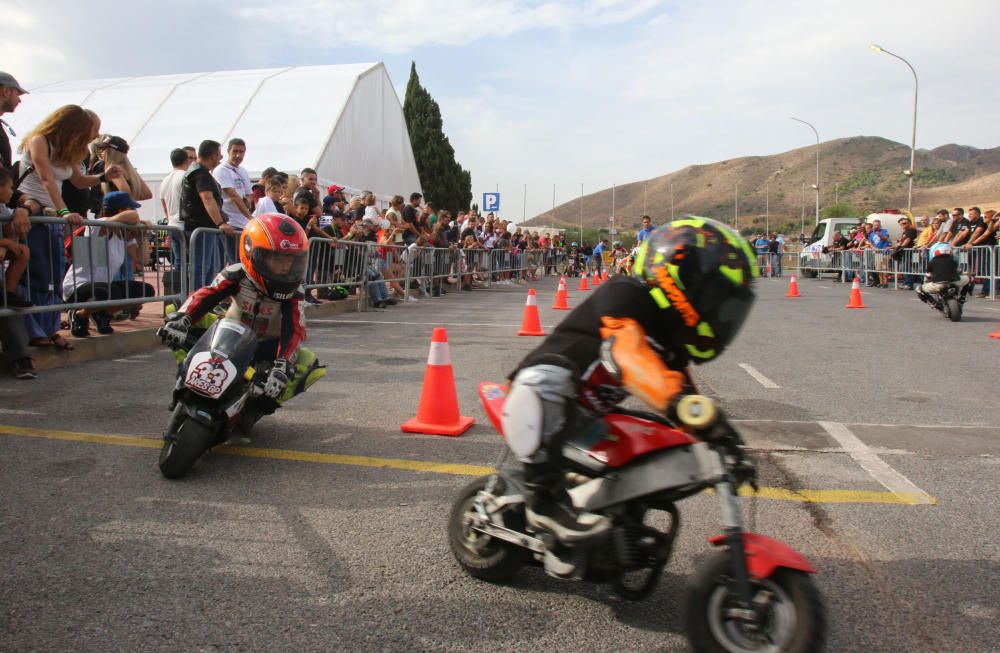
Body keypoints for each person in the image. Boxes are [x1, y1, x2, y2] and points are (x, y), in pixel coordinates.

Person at [501, 217, 757, 540]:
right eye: (715, 299)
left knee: (659, 438)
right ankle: (544, 502)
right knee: (548, 382)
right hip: (539, 397)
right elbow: (629, 356)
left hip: (586, 417)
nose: (720, 314)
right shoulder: (626, 295)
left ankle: (617, 509)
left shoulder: (670, 340)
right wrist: (681, 405)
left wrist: (723, 440)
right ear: (679, 277)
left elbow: (681, 391)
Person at [159, 214, 322, 428]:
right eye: (277, 259)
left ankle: (258, 406)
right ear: (250, 252)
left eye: (291, 260)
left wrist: (283, 364)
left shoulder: (295, 293)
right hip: (228, 338)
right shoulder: (236, 274)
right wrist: (183, 319)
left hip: (267, 347)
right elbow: (206, 295)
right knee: (175, 312)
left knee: (307, 361)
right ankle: (186, 377)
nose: (285, 268)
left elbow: (295, 330)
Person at [15, 105, 120, 350]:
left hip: (51, 218)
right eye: (93, 129)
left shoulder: (69, 151)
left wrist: (104, 176)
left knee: (53, 274)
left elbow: (79, 181)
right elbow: (45, 179)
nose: (95, 136)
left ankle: (49, 328)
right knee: (36, 274)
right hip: (34, 214)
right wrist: (64, 211)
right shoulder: (40, 141)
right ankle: (33, 330)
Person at [64, 191, 155, 337]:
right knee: (111, 292)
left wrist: (143, 234)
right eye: (130, 207)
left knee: (145, 290)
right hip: (79, 285)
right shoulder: (99, 224)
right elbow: (133, 217)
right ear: (120, 210)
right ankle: (80, 315)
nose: (135, 211)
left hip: (103, 286)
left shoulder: (123, 232)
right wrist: (137, 222)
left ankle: (102, 314)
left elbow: (143, 260)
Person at [180, 140, 233, 288]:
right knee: (202, 269)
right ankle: (197, 303)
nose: (220, 159)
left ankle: (205, 303)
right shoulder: (200, 173)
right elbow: (207, 198)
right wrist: (220, 223)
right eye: (219, 155)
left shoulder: (199, 172)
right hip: (201, 228)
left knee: (209, 269)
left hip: (204, 228)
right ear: (213, 155)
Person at [213, 138, 253, 265]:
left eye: (241, 152)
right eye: (235, 151)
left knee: (245, 262)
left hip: (244, 225)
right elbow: (233, 196)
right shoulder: (221, 170)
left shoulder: (243, 171)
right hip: (231, 223)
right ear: (228, 151)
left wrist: (248, 201)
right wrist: (250, 217)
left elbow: (249, 193)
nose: (238, 155)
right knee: (235, 263)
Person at [0, 168, 31, 308]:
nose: (13, 192)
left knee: (23, 251)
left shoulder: (2, 207)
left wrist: (11, 243)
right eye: (10, 187)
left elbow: (8, 231)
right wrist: (6, 243)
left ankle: (8, 293)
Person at [160, 148, 193, 267]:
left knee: (179, 260)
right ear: (186, 160)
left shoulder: (165, 180)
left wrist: (170, 219)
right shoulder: (186, 177)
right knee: (192, 260)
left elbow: (164, 204)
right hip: (185, 225)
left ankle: (179, 285)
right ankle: (189, 285)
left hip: (172, 224)